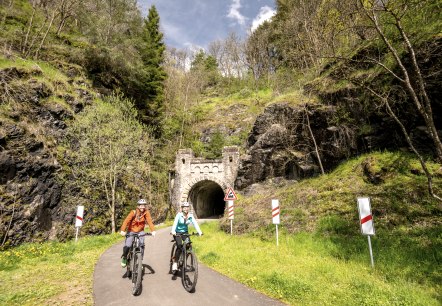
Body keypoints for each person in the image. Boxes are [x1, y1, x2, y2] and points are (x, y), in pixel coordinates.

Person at [120, 198, 156, 268]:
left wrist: (153, 230)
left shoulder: (146, 213)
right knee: (128, 245)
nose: (142, 207)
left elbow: (149, 222)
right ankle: (124, 257)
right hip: (131, 231)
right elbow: (126, 221)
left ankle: (140, 261)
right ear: (138, 206)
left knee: (141, 245)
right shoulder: (133, 212)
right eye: (141, 205)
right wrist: (122, 230)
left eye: (144, 205)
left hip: (140, 231)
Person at [170, 201, 202, 272]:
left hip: (185, 232)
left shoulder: (190, 216)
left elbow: (195, 224)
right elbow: (175, 223)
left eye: (187, 207)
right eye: (184, 207)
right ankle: (175, 262)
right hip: (177, 232)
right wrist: (173, 231)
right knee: (179, 245)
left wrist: (199, 232)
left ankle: (184, 257)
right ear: (182, 208)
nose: (186, 209)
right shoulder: (179, 215)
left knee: (188, 244)